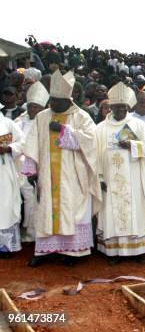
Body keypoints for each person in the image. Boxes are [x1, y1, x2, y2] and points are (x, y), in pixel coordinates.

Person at [22, 70, 101, 267]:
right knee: (46, 209)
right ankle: (44, 251)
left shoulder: (81, 116)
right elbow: (32, 142)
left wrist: (65, 131)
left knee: (71, 210)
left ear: (68, 99)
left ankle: (72, 252)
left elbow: (92, 141)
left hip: (73, 175)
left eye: (58, 101)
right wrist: (32, 169)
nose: (54, 104)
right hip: (48, 175)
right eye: (52, 100)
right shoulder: (42, 117)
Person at [95, 82, 145, 264]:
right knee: (112, 214)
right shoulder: (100, 129)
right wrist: (99, 177)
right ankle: (114, 252)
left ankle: (139, 250)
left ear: (128, 106)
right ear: (110, 107)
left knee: (135, 211)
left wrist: (133, 145)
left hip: (134, 179)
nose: (120, 109)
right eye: (116, 106)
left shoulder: (136, 125)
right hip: (110, 181)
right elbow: (95, 155)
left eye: (123, 106)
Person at [14, 82, 49, 242]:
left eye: (36, 107)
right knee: (15, 199)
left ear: (42, 108)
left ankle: (31, 232)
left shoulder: (46, 121)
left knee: (32, 200)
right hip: (16, 166)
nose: (32, 110)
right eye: (30, 106)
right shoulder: (19, 121)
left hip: (36, 166)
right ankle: (17, 229)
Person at [0, 104, 24, 258]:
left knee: (5, 206)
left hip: (4, 171)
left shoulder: (7, 124)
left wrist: (8, 149)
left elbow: (23, 142)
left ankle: (5, 246)